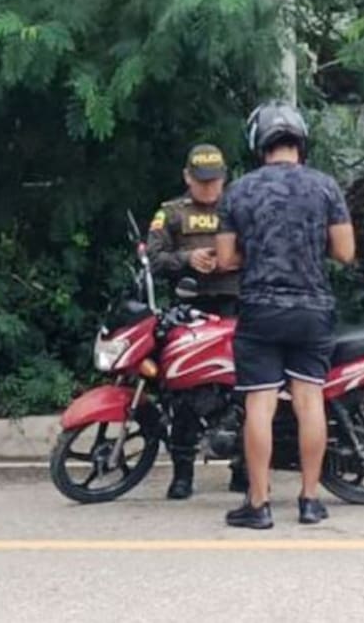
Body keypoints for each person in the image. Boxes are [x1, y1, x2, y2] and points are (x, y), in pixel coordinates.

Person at [214, 104, 355, 529]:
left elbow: (225, 259)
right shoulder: (325, 187)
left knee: (260, 403)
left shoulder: (238, 191)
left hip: (260, 309)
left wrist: (258, 252)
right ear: (300, 140)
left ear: (259, 142)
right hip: (313, 309)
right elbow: (345, 252)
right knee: (309, 401)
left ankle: (259, 505)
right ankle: (310, 500)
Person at [146, 143, 241, 499]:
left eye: (214, 181)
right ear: (187, 177)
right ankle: (182, 473)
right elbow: (153, 258)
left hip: (234, 307)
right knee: (184, 393)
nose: (209, 187)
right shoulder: (172, 212)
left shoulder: (240, 208)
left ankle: (244, 469)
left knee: (241, 391)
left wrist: (233, 260)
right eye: (202, 181)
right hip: (189, 310)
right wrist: (187, 258)